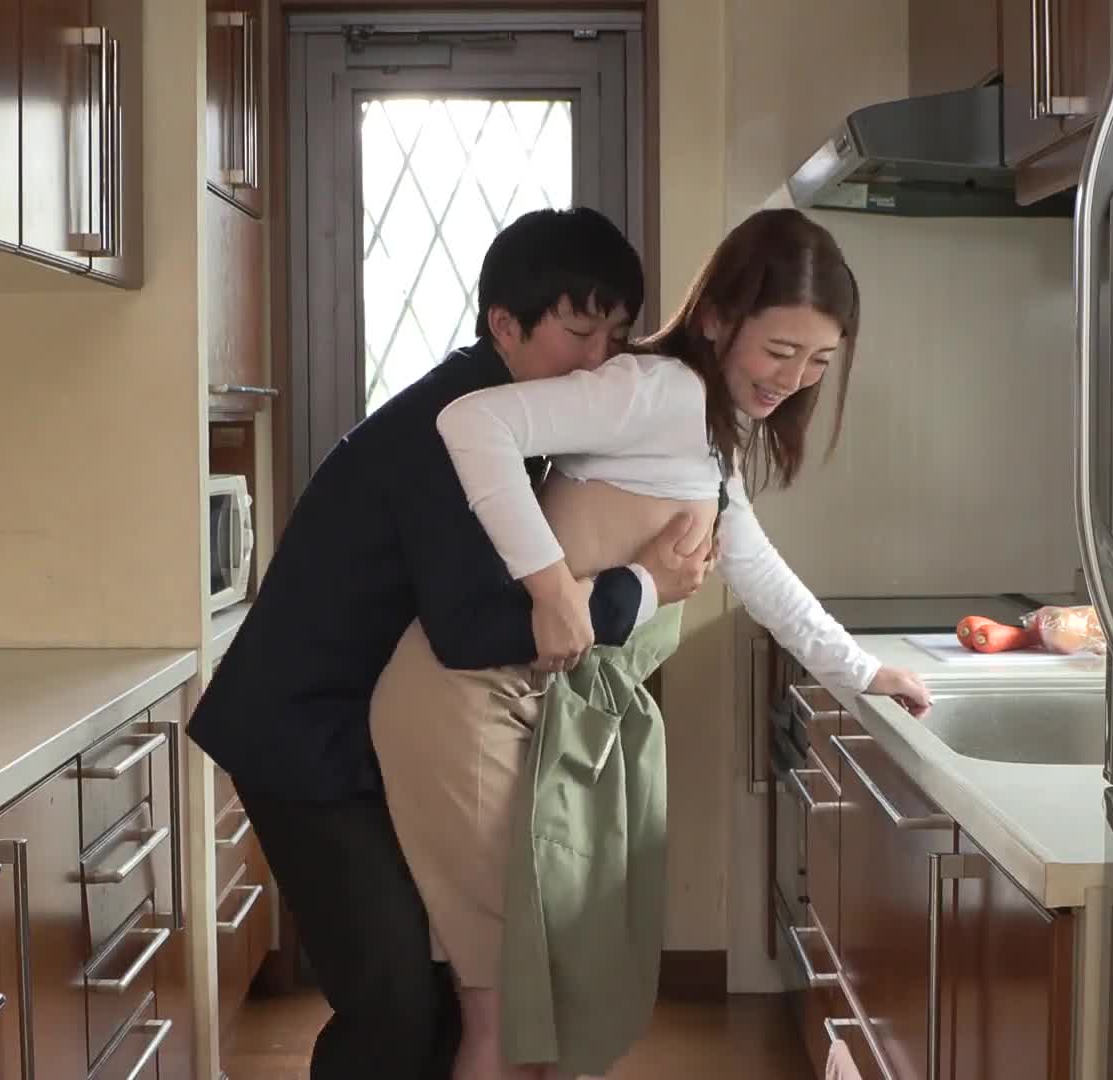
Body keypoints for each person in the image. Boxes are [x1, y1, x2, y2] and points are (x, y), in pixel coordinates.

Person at [369, 208, 934, 1080]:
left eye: (820, 361)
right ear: (717, 319)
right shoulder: (658, 392)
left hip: (524, 707)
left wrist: (862, 671)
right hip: (464, 705)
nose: (795, 379)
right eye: (780, 351)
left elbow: (755, 567)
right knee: (508, 1006)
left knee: (538, 998)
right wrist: (552, 588)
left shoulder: (703, 428)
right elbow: (473, 425)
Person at [186, 207, 718, 1080]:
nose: (600, 361)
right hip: (302, 744)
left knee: (436, 991)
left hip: (364, 730)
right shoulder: (449, 430)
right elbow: (472, 633)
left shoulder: (507, 416)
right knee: (392, 1003)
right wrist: (642, 587)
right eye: (580, 333)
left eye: (617, 337)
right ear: (505, 324)